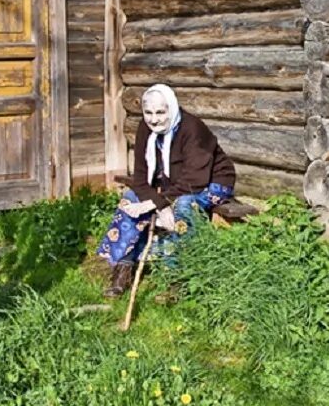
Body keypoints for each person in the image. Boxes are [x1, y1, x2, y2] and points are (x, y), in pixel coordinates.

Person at [96, 83, 236, 297]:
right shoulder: (146, 128)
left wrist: (159, 203)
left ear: (171, 108)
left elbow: (195, 180)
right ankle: (123, 269)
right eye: (148, 112)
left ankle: (176, 277)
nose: (154, 119)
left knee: (184, 205)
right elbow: (141, 179)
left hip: (211, 183)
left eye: (160, 112)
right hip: (173, 184)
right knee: (130, 199)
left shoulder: (192, 129)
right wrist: (159, 204)